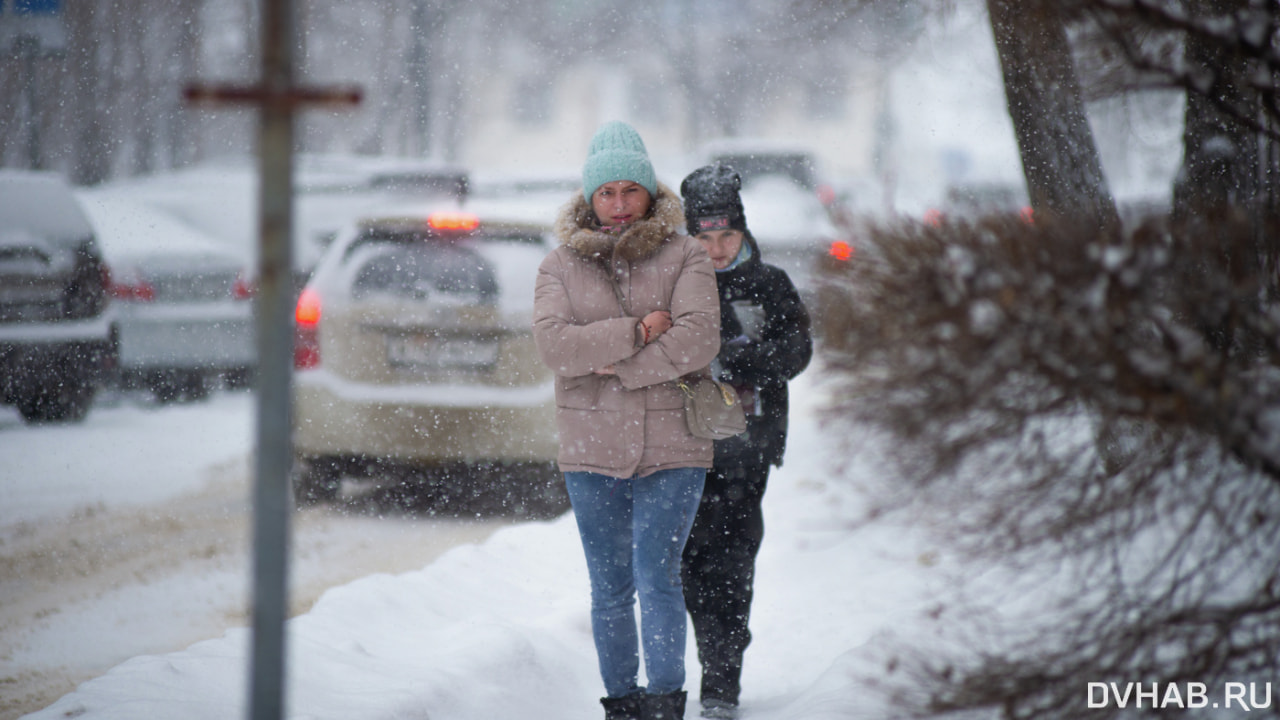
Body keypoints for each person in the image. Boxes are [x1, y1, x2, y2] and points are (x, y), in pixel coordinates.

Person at [532, 121, 721, 720]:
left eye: (629, 191)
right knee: (610, 588)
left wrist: (617, 365)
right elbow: (554, 346)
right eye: (606, 193)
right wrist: (637, 333)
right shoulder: (558, 266)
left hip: (674, 441)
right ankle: (621, 703)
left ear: (649, 193)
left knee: (656, 575)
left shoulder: (686, 251)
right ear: (589, 199)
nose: (618, 205)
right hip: (590, 446)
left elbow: (699, 338)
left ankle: (666, 703)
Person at [678, 164, 813, 720]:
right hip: (682, 449)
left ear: (744, 232)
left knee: (732, 564)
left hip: (746, 451)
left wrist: (742, 359)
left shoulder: (770, 283)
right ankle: (691, 663)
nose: (715, 249)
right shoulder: (673, 283)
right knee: (689, 563)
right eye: (704, 238)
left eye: (726, 236)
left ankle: (722, 682)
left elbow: (798, 350)